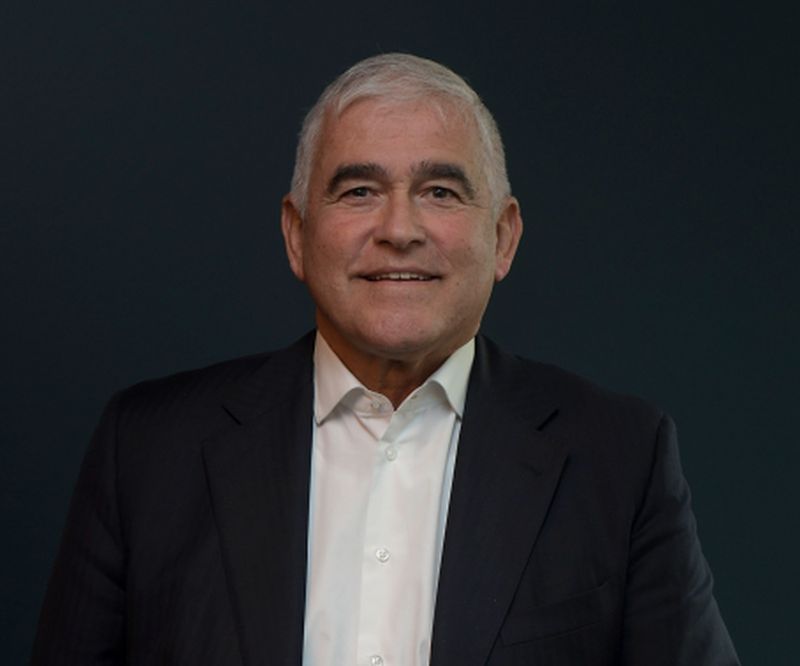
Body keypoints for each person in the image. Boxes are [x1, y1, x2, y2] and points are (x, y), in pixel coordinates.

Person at [32, 53, 739, 665]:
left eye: (440, 192)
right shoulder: (148, 449)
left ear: (503, 238)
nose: (399, 229)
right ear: (297, 236)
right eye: (359, 191)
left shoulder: (620, 458)